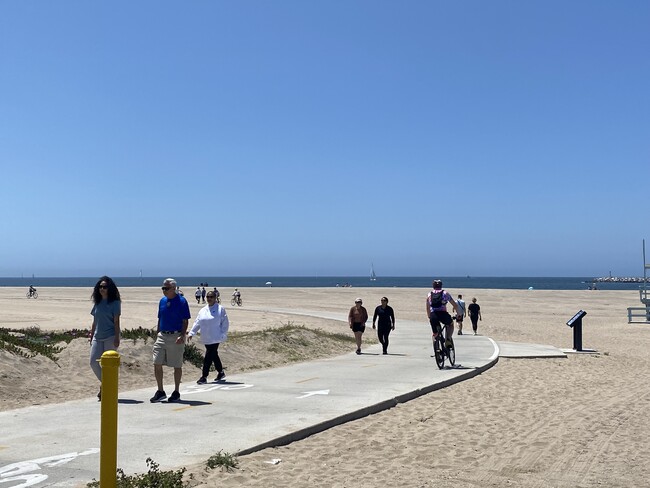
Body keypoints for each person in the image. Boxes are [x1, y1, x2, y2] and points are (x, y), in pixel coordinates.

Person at [151, 278, 191, 403]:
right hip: (162, 335)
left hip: (175, 336)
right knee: (157, 362)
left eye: (166, 288)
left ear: (174, 288)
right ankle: (160, 391)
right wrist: (158, 332)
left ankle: (176, 391)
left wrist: (182, 335)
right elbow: (160, 317)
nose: (164, 290)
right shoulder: (162, 301)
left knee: (177, 365)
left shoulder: (182, 301)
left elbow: (185, 320)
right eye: (163, 288)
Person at [89, 276, 121, 400]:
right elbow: (94, 321)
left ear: (110, 288)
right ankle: (107, 384)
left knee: (108, 365)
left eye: (105, 287)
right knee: (93, 362)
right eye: (100, 287)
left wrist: (117, 338)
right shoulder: (97, 302)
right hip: (98, 336)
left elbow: (117, 321)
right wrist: (91, 335)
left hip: (110, 336)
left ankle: (106, 388)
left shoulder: (115, 303)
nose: (102, 289)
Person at [188, 290, 229, 384]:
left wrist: (223, 333)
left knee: (208, 355)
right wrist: (191, 333)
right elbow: (197, 322)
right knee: (214, 355)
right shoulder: (203, 310)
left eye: (211, 297)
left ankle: (204, 376)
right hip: (206, 336)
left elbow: (225, 322)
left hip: (216, 336)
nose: (209, 299)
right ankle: (221, 372)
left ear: (215, 298)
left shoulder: (220, 309)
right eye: (208, 297)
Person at [426, 280, 458, 348]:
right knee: (450, 324)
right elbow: (455, 305)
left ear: (433, 286)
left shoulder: (429, 294)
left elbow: (428, 308)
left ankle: (436, 344)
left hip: (433, 314)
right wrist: (457, 314)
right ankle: (448, 339)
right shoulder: (445, 293)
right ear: (441, 286)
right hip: (443, 314)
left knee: (435, 333)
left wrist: (429, 316)